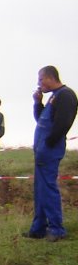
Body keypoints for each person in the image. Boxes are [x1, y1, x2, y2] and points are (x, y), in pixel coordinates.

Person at [25, 65, 77, 241]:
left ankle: (57, 229)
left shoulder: (65, 95)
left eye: (41, 79)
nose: (39, 83)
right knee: (40, 189)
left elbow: (63, 124)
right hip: (42, 150)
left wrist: (48, 143)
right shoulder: (53, 97)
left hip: (50, 149)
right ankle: (38, 228)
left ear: (50, 77)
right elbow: (40, 119)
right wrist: (37, 102)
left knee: (48, 188)